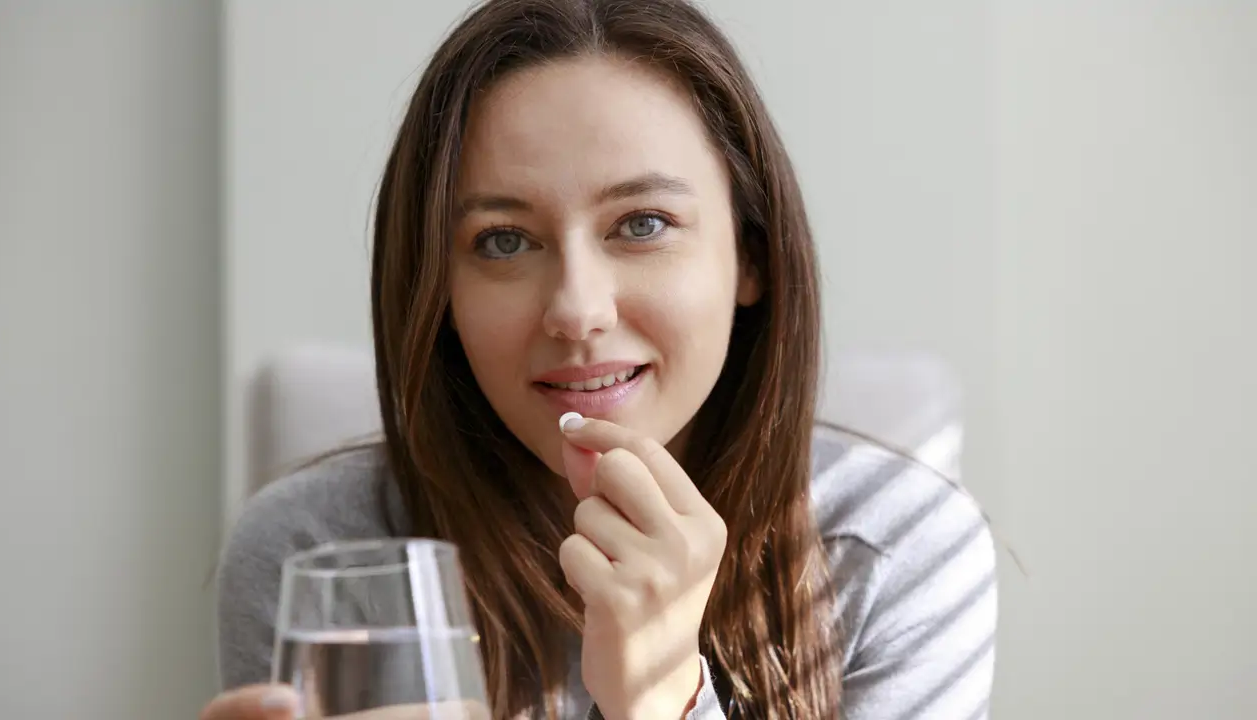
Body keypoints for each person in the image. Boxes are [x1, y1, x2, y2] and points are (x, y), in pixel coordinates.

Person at [202, 0, 997, 718]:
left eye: (643, 224)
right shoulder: (318, 554)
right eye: (503, 241)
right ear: (436, 288)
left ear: (751, 256)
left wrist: (663, 700)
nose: (578, 310)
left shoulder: (898, 555)